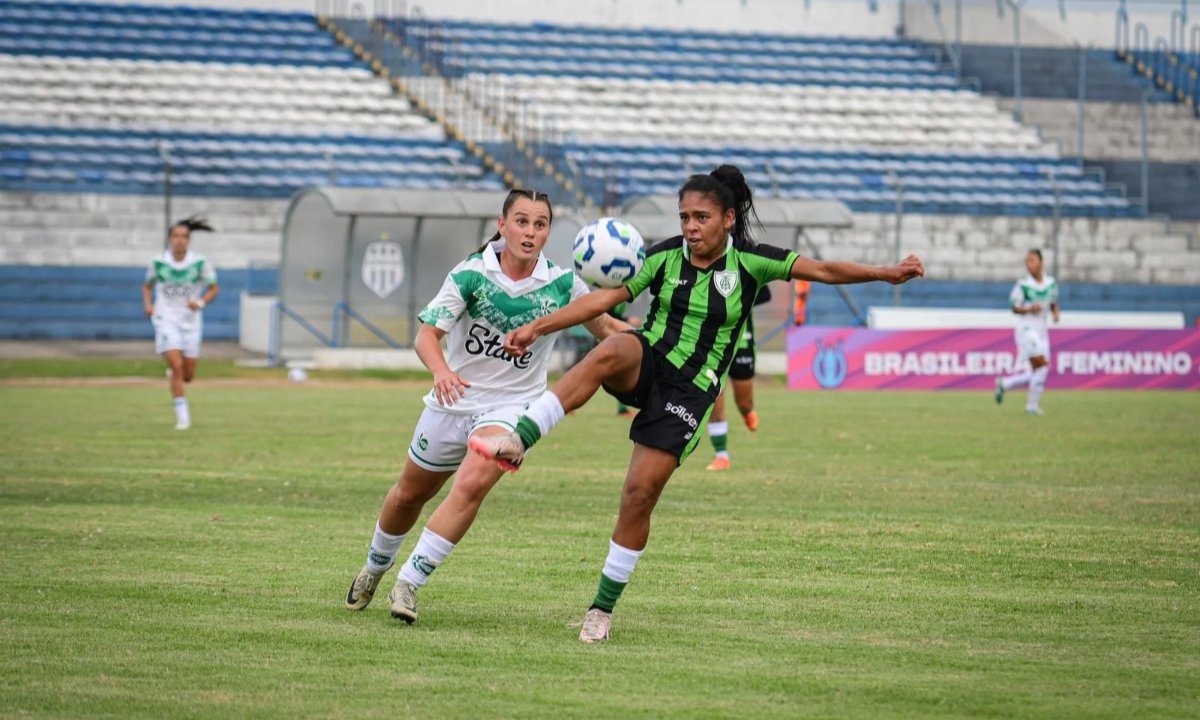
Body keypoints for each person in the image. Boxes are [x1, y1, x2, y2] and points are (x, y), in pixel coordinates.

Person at [470, 165, 924, 643]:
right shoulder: (664, 256)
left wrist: (886, 274)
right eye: (684, 217)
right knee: (615, 347)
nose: (690, 226)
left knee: (638, 496)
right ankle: (520, 439)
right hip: (649, 362)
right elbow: (605, 300)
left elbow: (825, 270)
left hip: (689, 392)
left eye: (701, 217)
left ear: (728, 219)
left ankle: (601, 609)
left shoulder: (752, 262)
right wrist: (537, 327)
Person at [344, 189, 628, 624]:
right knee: (408, 495)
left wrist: (658, 342)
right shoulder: (471, 274)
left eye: (540, 224)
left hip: (512, 408)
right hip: (453, 402)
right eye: (521, 221)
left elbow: (606, 327)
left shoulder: (563, 285)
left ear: (548, 232)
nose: (529, 232)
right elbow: (426, 336)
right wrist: (441, 371)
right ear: (502, 225)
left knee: (473, 484)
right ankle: (375, 567)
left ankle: (409, 583)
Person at [142, 216, 219, 430]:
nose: (180, 240)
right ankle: (183, 418)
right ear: (169, 239)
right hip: (166, 318)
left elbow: (214, 288)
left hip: (190, 321)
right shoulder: (158, 262)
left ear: (189, 240)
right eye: (176, 236)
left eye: (184, 236)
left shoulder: (199, 263)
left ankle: (175, 374)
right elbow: (147, 286)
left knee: (188, 375)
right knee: (176, 366)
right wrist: (148, 305)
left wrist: (200, 303)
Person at [705, 286, 770, 471]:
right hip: (714, 343)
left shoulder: (746, 269)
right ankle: (721, 455)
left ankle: (747, 412)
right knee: (715, 398)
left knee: (745, 402)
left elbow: (765, 294)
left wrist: (738, 297)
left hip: (742, 342)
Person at [995, 249, 1059, 415]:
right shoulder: (1023, 284)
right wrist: (1029, 309)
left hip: (1042, 331)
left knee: (1038, 371)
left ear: (1041, 262)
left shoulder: (1051, 283)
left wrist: (1055, 313)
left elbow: (1053, 302)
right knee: (1041, 367)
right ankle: (1031, 406)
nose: (1029, 265)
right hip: (1027, 330)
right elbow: (1014, 307)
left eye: (1032, 261)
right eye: (1027, 262)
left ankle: (1005, 384)